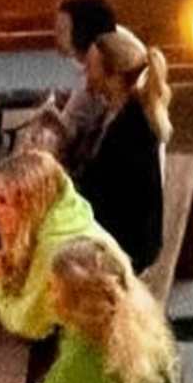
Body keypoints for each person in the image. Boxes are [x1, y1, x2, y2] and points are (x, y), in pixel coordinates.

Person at [30, 236, 176, 383]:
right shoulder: (152, 336)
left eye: (53, 288)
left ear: (77, 305)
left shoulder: (69, 377)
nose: (47, 294)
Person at [0, 144, 101, 340]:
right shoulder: (62, 212)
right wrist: (11, 273)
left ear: (30, 205)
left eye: (3, 201)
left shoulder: (55, 250)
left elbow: (27, 323)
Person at [68, 25, 172, 275]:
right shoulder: (121, 109)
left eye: (91, 67)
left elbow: (98, 197)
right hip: (128, 233)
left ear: (113, 76)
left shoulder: (130, 130)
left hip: (128, 250)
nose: (85, 74)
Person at [17, 0, 125, 167]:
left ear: (83, 34)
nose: (55, 35)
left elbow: (65, 138)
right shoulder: (113, 41)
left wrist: (50, 117)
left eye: (61, 31)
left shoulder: (92, 85)